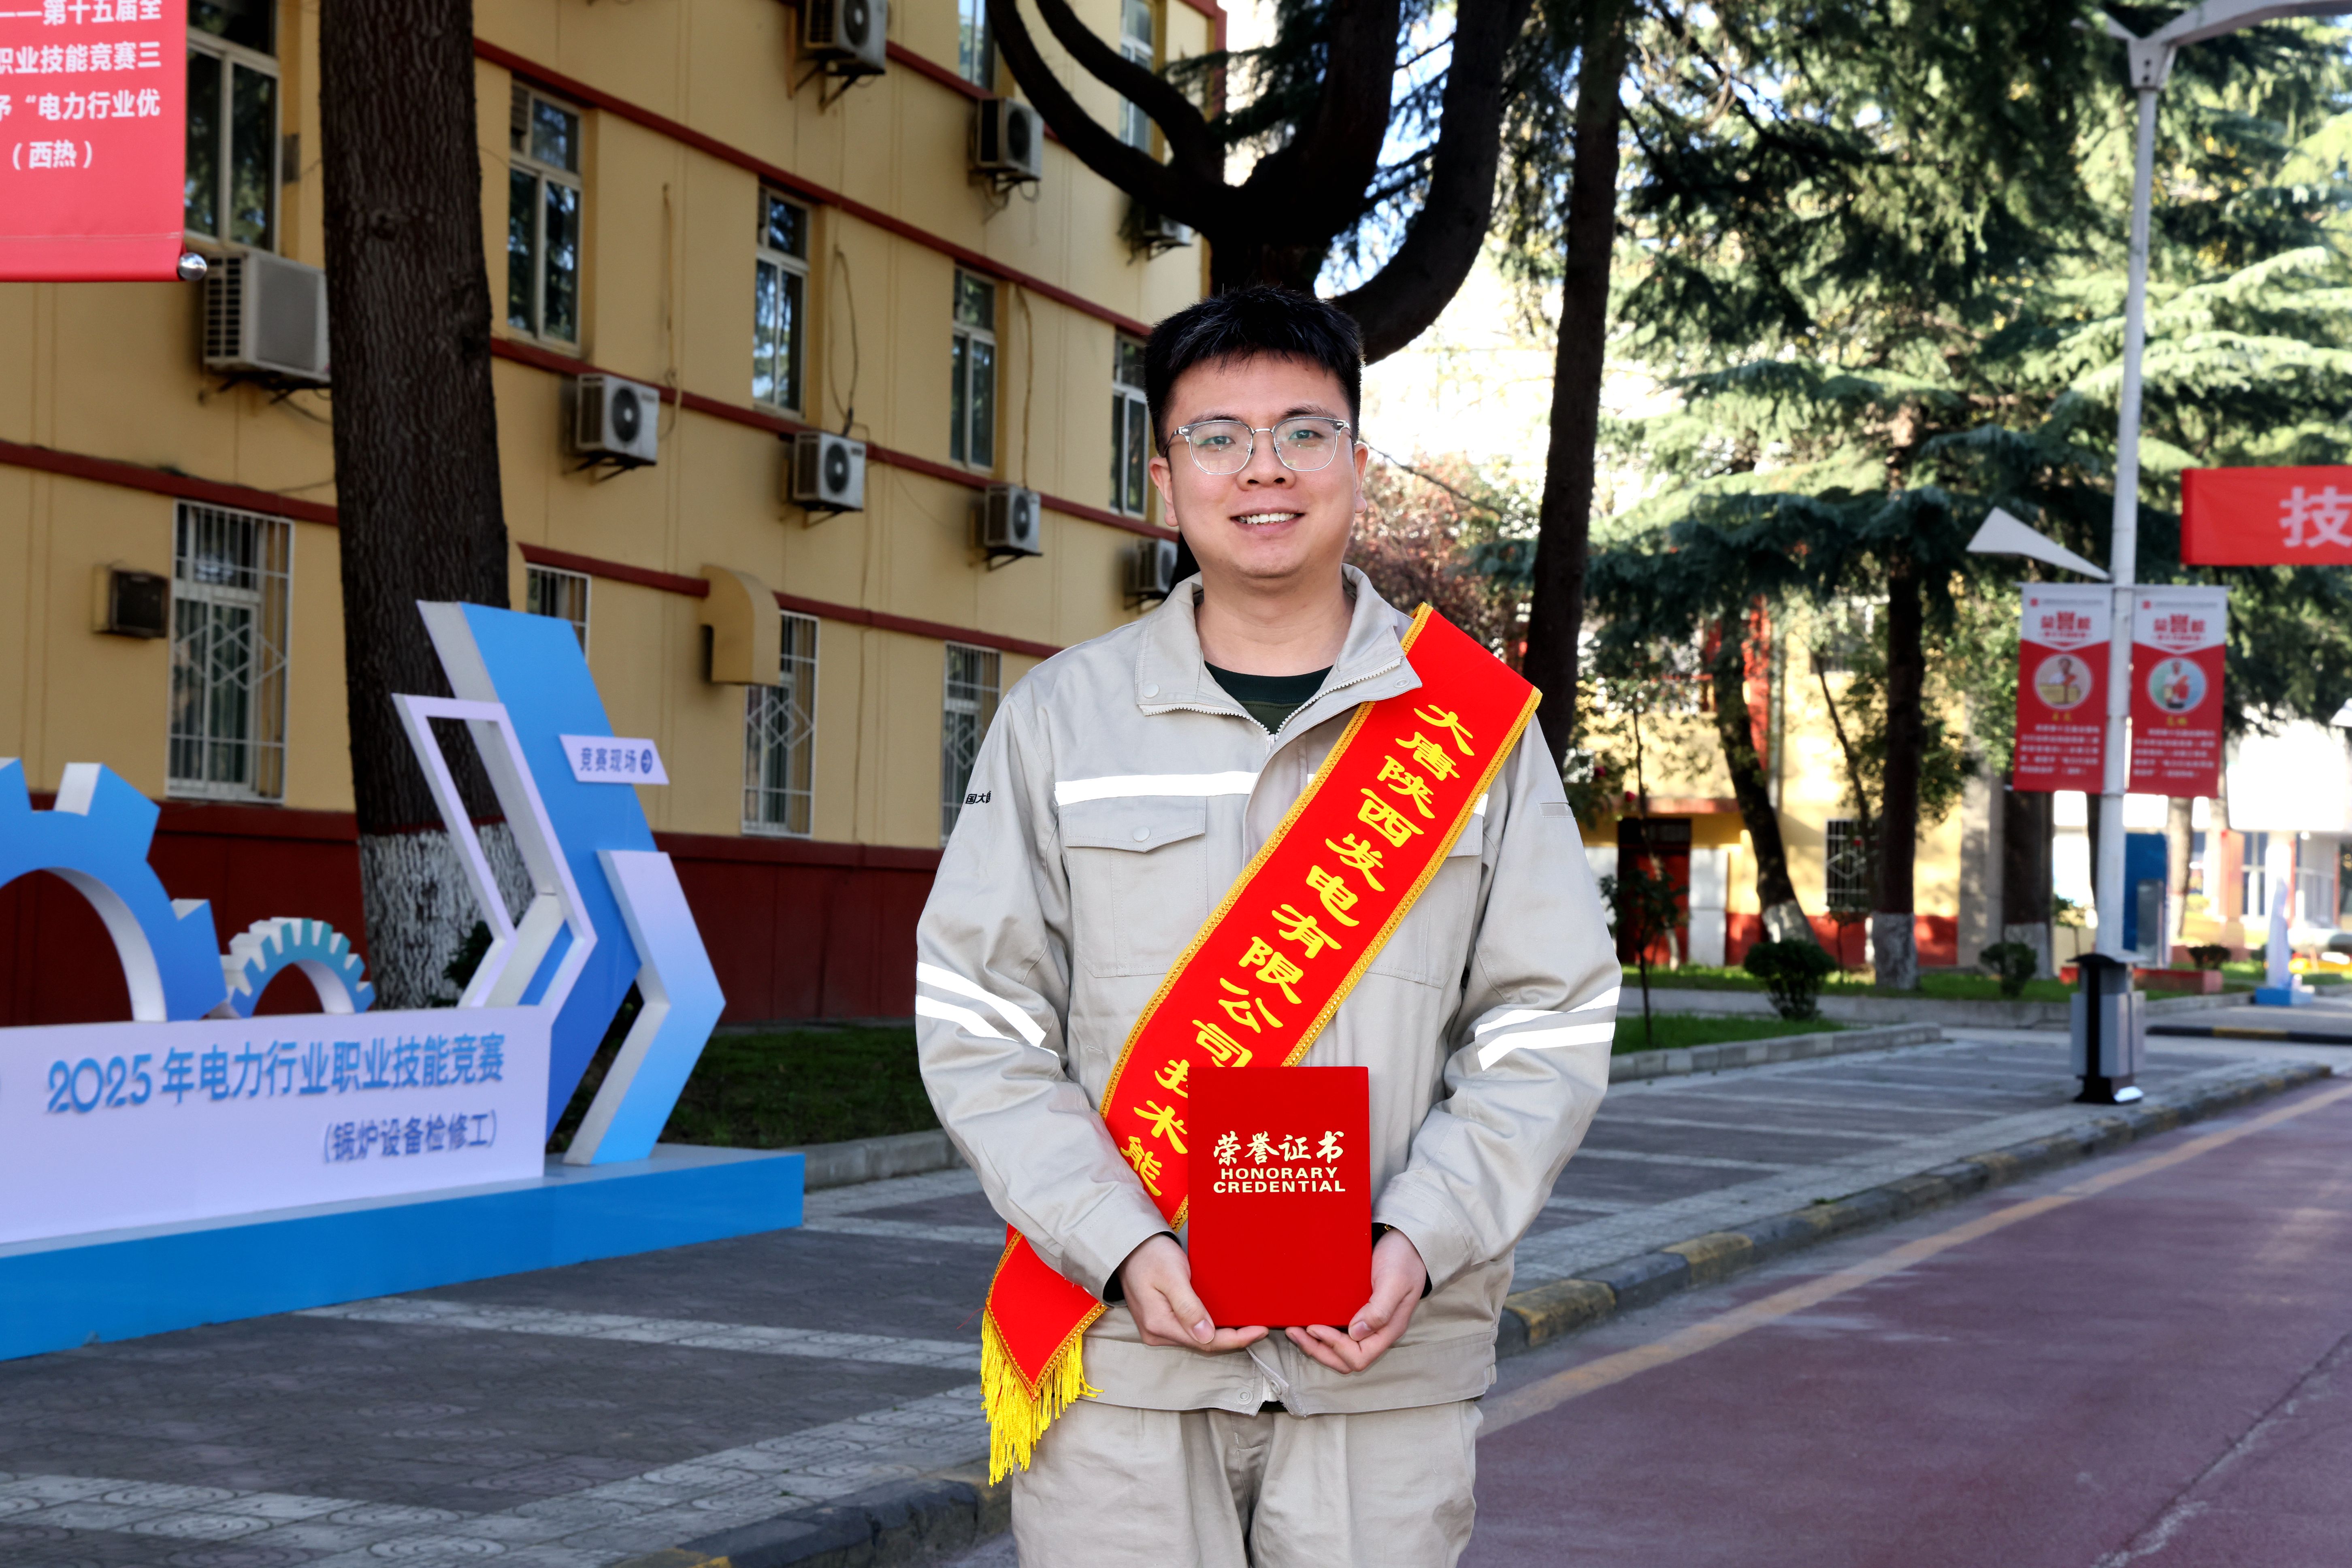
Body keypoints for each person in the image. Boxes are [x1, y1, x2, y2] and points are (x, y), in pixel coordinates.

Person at [914, 287, 1615, 1567]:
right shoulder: (1062, 721)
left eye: (1303, 432)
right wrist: (1121, 1247)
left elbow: (1548, 1021)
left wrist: (1423, 1237)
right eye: (1219, 438)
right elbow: (981, 1019)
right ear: (1163, 477)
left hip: (1383, 1366)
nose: (1264, 470)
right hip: (1125, 1362)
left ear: (1358, 459)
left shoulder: (1474, 734)